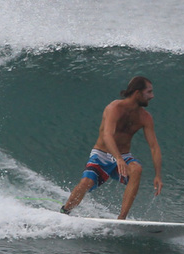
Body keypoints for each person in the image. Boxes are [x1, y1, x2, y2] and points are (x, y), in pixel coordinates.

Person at [61, 76, 162, 220]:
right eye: (149, 92)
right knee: (86, 183)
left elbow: (154, 147)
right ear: (137, 92)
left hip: (124, 156)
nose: (152, 96)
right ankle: (65, 211)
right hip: (102, 155)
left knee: (136, 169)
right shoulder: (114, 108)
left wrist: (158, 175)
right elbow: (108, 135)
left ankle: (121, 219)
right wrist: (118, 158)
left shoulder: (145, 117)